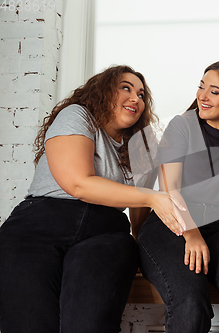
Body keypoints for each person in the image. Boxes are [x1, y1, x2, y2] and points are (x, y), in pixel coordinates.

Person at [0, 65, 182, 333]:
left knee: (88, 324)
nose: (136, 98)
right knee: (29, 323)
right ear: (103, 91)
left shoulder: (141, 147)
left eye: (141, 94)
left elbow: (138, 212)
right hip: (38, 226)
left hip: (105, 232)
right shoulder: (77, 116)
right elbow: (78, 183)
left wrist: (145, 254)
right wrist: (154, 197)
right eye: (126, 88)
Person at [136, 61, 219, 333]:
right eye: (201, 87)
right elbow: (170, 188)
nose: (203, 96)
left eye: (214, 91)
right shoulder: (182, 125)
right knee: (191, 299)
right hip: (171, 222)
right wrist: (191, 234)